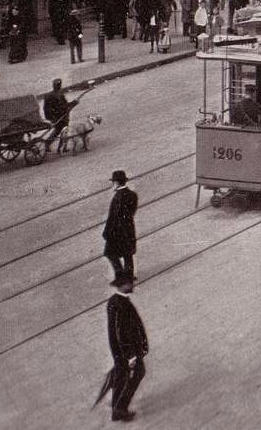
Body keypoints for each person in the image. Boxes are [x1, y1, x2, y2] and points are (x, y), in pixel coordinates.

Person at [105, 275, 148, 422]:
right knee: (137, 373)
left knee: (121, 375)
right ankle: (120, 409)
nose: (133, 285)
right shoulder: (121, 304)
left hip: (120, 351)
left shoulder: (115, 301)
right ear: (123, 285)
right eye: (130, 283)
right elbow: (121, 333)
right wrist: (131, 356)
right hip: (125, 351)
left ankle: (116, 403)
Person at [103, 170, 139, 284]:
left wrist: (106, 232)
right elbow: (132, 211)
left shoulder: (117, 198)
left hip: (117, 231)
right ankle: (129, 275)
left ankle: (120, 275)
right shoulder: (133, 195)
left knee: (110, 253)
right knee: (127, 253)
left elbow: (112, 217)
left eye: (113, 182)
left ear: (117, 183)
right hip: (128, 228)